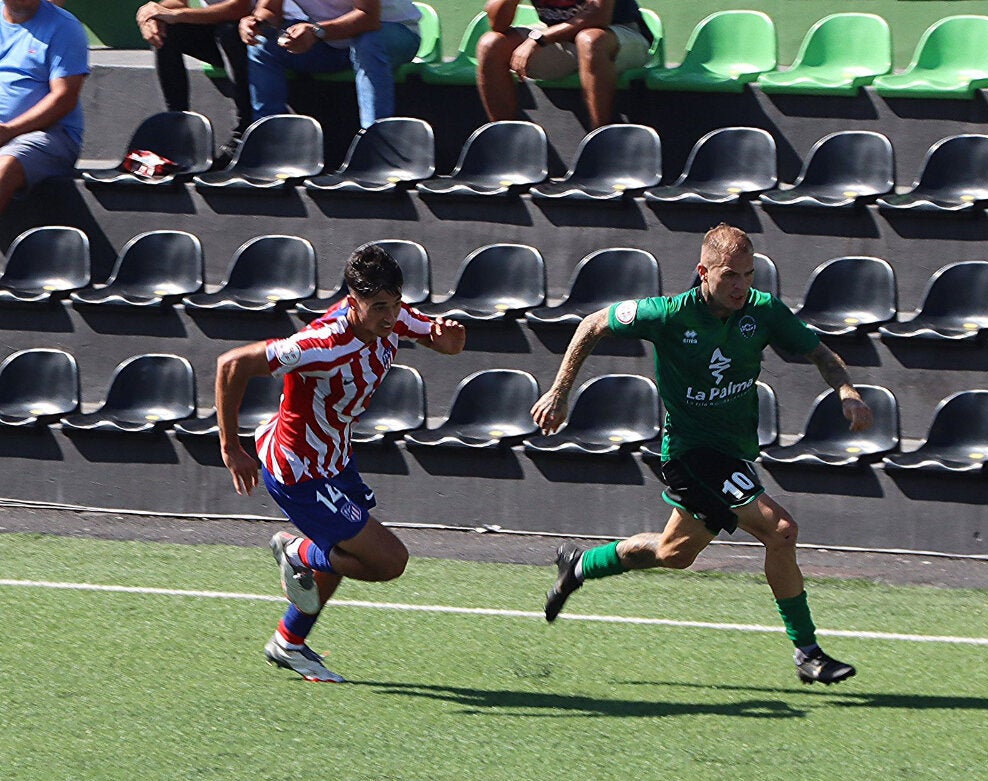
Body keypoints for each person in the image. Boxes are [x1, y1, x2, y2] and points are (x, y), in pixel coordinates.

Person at [530, 224, 874, 685]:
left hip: (729, 454)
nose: (741, 286)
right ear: (703, 272)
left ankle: (579, 565)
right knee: (781, 530)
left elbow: (823, 355)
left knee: (675, 554)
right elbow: (592, 324)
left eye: (748, 275)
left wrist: (847, 391)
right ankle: (807, 653)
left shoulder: (763, 311)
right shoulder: (669, 314)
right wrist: (558, 392)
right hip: (691, 455)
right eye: (731, 275)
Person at [216, 244, 465, 682]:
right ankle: (297, 551)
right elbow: (231, 364)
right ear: (354, 303)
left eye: (396, 304)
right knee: (389, 562)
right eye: (379, 308)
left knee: (347, 549)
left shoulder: (393, 318)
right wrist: (231, 448)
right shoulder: (319, 345)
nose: (390, 318)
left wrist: (450, 341)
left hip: (335, 459)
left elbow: (440, 340)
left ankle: (289, 643)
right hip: (299, 472)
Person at [238, 0, 420, 129]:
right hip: (332, 43)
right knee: (264, 44)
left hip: (395, 35)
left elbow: (368, 18)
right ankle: (267, 135)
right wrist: (254, 23)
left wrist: (317, 32)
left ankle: (375, 140)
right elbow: (269, 10)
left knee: (367, 42)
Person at [476, 0, 651, 130]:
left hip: (620, 37)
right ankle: (505, 142)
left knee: (590, 40)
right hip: (561, 41)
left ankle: (601, 140)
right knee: (491, 45)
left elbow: (599, 17)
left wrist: (539, 39)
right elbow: (497, 24)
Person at [135, 1, 254, 165]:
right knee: (166, 30)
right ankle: (178, 132)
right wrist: (154, 14)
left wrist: (177, 15)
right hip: (222, 32)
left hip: (263, 35)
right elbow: (176, 3)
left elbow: (240, 8)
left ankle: (244, 134)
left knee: (228, 31)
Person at [0, 0, 88, 217]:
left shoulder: (65, 27)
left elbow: (63, 98)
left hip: (48, 134)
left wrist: (9, 131)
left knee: (4, 169)